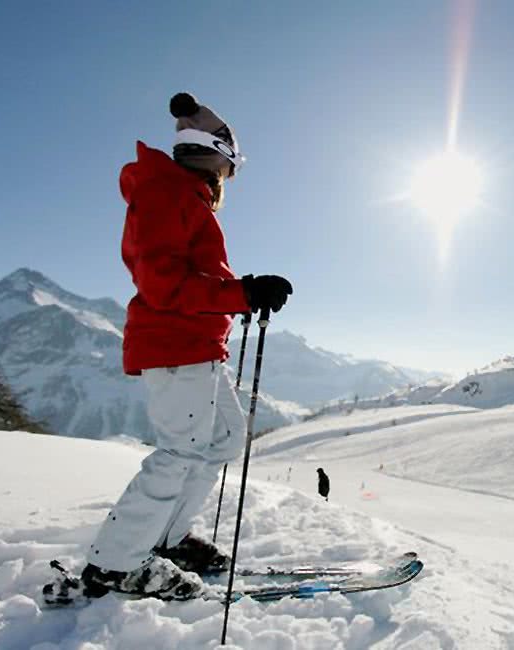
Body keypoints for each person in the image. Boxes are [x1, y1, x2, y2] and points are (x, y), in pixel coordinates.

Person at [81, 93, 294, 600]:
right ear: (218, 155)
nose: (229, 177)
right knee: (180, 452)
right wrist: (242, 293)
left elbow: (194, 277)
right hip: (174, 347)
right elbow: (164, 285)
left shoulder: (179, 195)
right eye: (231, 166)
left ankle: (166, 540)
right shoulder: (166, 195)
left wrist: (239, 295)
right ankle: (115, 565)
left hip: (196, 345)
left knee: (223, 438)